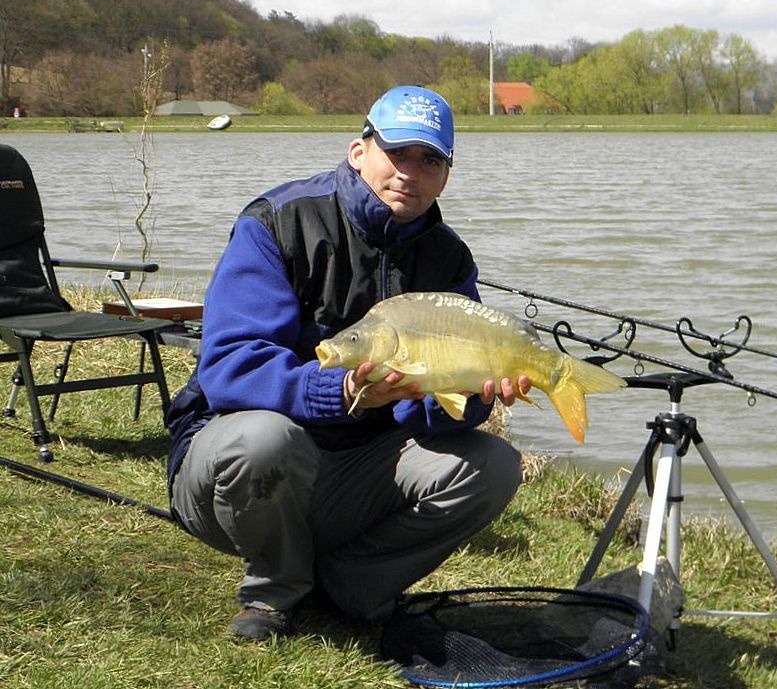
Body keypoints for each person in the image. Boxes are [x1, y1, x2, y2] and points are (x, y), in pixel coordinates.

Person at [165, 85, 530, 642]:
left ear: (446, 175)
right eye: (398, 152)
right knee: (264, 439)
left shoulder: (448, 259)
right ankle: (273, 593)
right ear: (359, 150)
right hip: (231, 474)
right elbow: (228, 367)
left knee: (493, 465)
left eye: (429, 159)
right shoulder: (278, 222)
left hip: (356, 472)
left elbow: (432, 415)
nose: (411, 171)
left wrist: (472, 398)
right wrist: (335, 392)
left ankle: (351, 588)